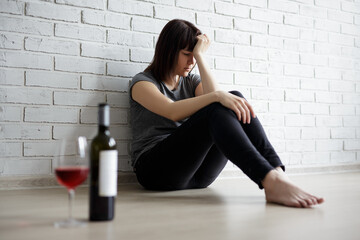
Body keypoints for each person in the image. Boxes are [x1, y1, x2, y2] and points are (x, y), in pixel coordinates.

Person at [129, 19, 324, 208]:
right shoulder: (142, 83)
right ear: (169, 51)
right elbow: (172, 112)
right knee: (220, 101)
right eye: (188, 54)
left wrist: (201, 58)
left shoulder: (189, 81)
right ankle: (269, 179)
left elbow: (217, 100)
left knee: (233, 98)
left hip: (197, 175)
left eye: (195, 56)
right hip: (156, 172)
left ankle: (278, 173)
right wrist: (219, 97)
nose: (192, 61)